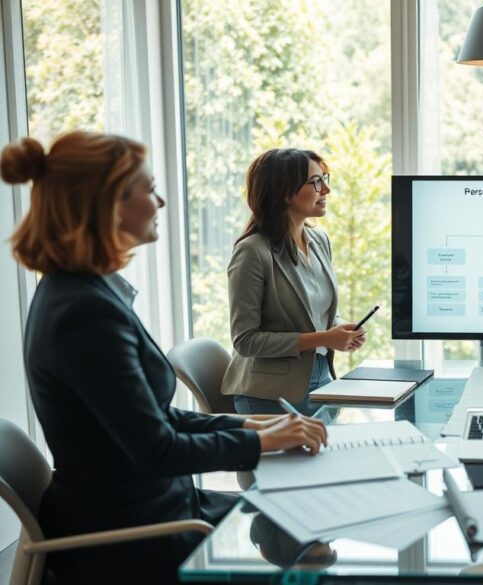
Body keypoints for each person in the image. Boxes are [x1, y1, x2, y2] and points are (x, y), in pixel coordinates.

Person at [2, 131, 329, 584]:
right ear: (109, 203)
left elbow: (152, 419)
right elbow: (156, 449)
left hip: (159, 509)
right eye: (148, 188)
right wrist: (262, 443)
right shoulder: (84, 312)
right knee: (308, 550)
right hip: (136, 536)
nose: (160, 201)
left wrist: (255, 426)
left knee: (301, 522)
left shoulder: (83, 292)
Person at [221, 148, 366, 415]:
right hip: (269, 394)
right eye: (316, 182)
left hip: (322, 378)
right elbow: (245, 340)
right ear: (285, 192)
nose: (326, 190)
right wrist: (324, 338)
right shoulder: (252, 251)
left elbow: (312, 313)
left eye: (325, 179)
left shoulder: (319, 241)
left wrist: (339, 328)